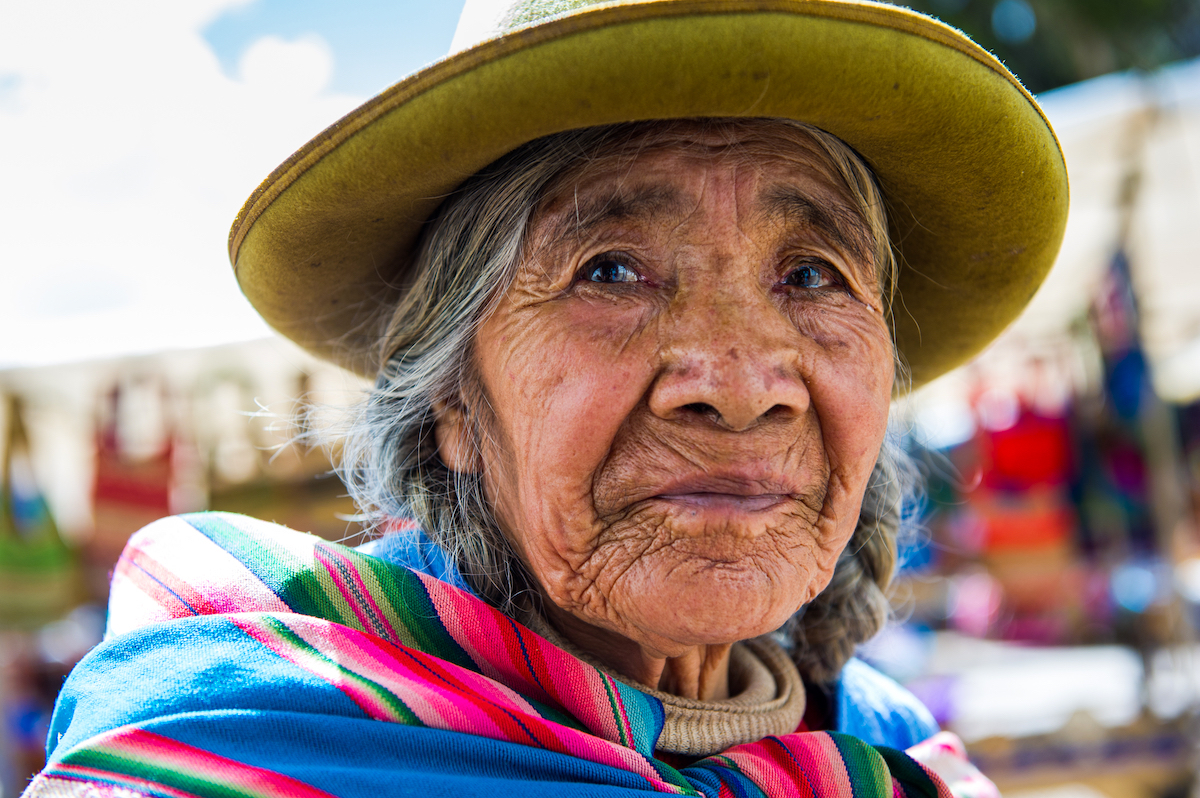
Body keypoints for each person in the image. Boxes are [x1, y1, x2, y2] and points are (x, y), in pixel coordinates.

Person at [26, 1, 1067, 796]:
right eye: (611, 272)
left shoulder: (895, 762)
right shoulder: (239, 742)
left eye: (812, 277)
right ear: (454, 405)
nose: (742, 387)